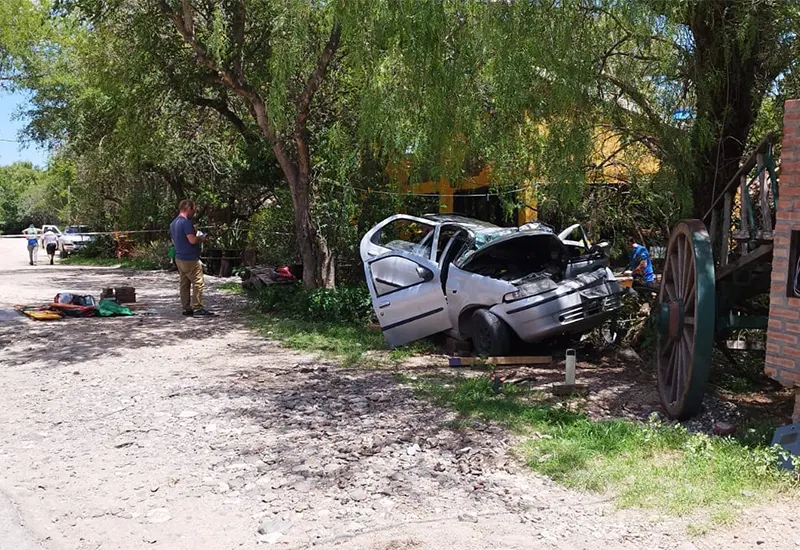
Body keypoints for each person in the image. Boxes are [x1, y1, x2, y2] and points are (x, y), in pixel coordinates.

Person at [169, 200, 214, 316]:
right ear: (188, 208)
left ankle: (186, 307)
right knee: (198, 282)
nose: (194, 212)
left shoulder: (173, 223)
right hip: (190, 258)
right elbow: (192, 240)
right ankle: (198, 307)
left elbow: (174, 241)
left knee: (184, 283)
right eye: (194, 209)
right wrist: (201, 238)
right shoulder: (186, 222)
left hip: (179, 257)